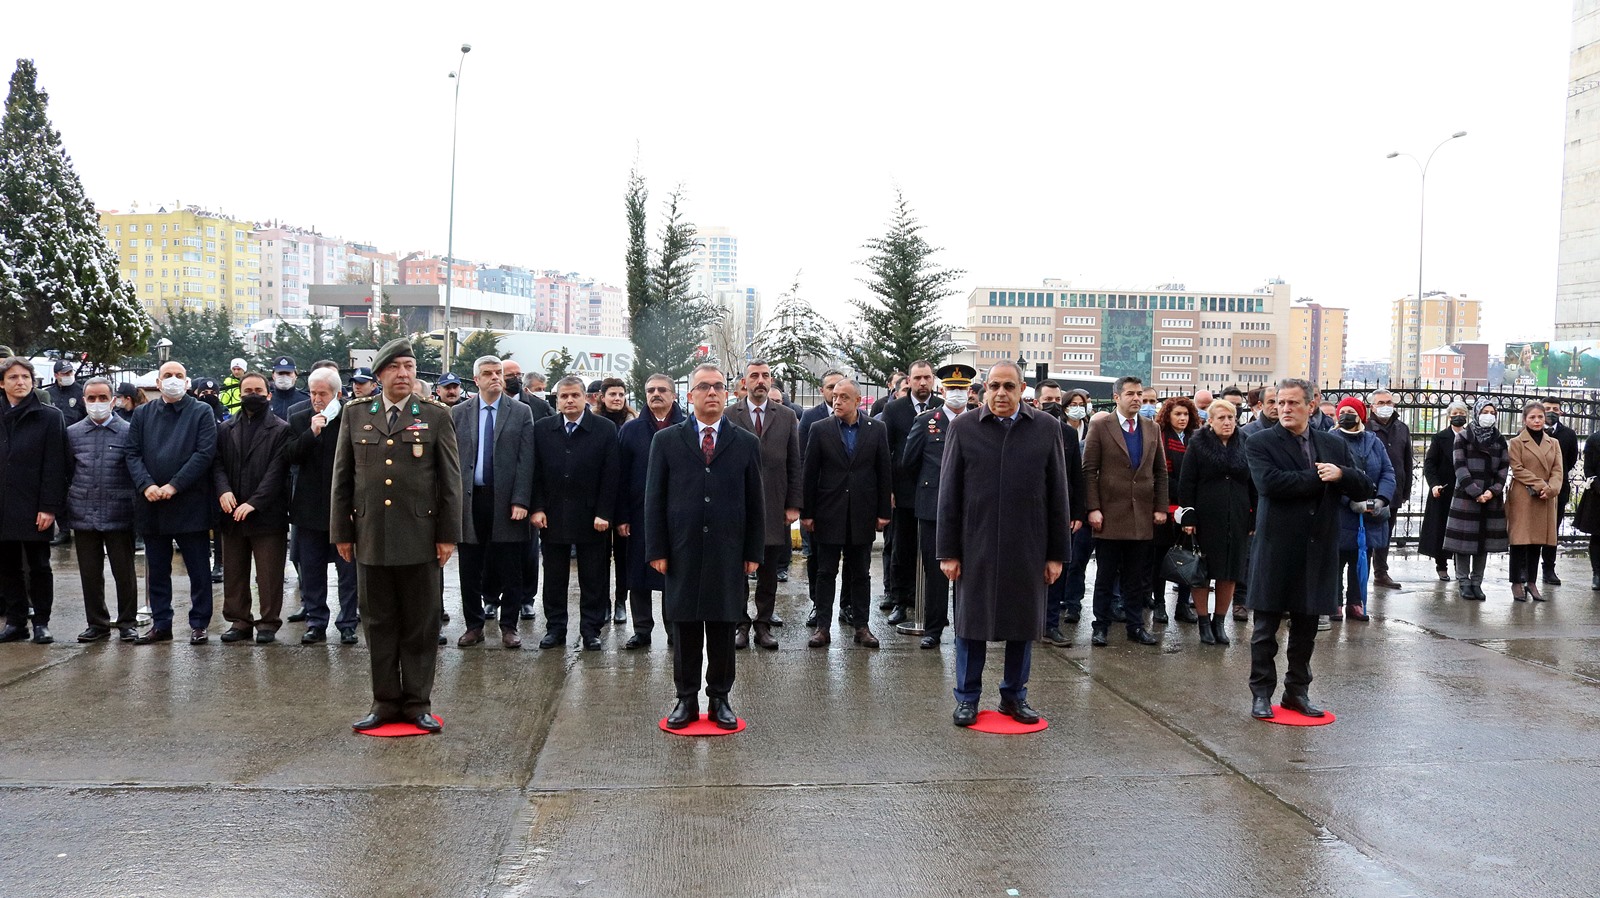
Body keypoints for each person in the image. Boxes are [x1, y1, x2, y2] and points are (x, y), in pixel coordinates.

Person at [331, 338, 462, 732]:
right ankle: (384, 701)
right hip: (371, 535)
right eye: (395, 367)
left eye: (409, 366)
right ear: (380, 375)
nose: (403, 373)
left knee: (421, 624)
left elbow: (450, 481)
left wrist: (447, 535)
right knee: (377, 621)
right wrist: (342, 531)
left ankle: (418, 702)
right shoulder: (356, 414)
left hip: (420, 536)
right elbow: (343, 478)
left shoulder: (434, 415)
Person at [937, 361, 1069, 726]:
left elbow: (1058, 494)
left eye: (1009, 387)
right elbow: (949, 493)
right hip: (974, 543)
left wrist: (1057, 554)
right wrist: (947, 551)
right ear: (983, 390)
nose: (1001, 393)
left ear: (1022, 389)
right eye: (994, 386)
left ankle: (1014, 696)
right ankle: (967, 698)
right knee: (970, 625)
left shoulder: (1046, 428)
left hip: (1027, 545)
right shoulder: (964, 427)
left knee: (1022, 626)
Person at [1245, 379, 1373, 720]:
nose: (1284, 409)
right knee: (1265, 629)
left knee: (1305, 629)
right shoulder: (1260, 442)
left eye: (1292, 403)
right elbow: (1271, 484)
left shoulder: (1331, 443)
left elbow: (1362, 486)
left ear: (1310, 406)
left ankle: (1296, 693)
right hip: (1276, 547)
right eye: (1280, 402)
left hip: (1317, 547)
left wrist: (1341, 472)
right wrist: (1321, 478)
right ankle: (1261, 693)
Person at [646, 363, 765, 729]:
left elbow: (755, 501)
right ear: (690, 395)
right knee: (683, 627)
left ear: (727, 393)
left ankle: (719, 698)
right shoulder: (666, 441)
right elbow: (654, 498)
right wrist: (657, 549)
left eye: (717, 387)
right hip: (681, 549)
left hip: (728, 551)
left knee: (722, 623)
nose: (711, 392)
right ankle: (685, 698)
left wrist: (752, 552)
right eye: (703, 387)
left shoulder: (745, 442)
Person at [126, 361, 218, 645]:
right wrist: (147, 485)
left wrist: (174, 485)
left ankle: (200, 624)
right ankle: (161, 623)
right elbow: (132, 453)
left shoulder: (201, 412)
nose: (174, 380)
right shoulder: (142, 414)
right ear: (158, 381)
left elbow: (204, 454)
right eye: (168, 375)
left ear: (187, 382)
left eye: (179, 376)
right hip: (152, 504)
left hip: (190, 503)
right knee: (157, 570)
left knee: (199, 569)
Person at [531, 375, 620, 651]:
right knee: (554, 577)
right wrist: (537, 508)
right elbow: (534, 473)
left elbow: (611, 475)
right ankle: (555, 629)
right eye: (563, 396)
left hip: (592, 518)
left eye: (575, 395)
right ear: (556, 400)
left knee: (593, 577)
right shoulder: (543, 429)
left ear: (586, 398)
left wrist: (604, 512)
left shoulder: (604, 429)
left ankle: (591, 630)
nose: (569, 400)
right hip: (553, 516)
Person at [451, 355, 535, 648]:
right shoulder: (459, 413)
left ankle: (509, 626)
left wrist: (521, 499)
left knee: (511, 567)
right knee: (470, 568)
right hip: (470, 500)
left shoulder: (521, 412)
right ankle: (474, 625)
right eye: (487, 373)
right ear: (476, 380)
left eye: (498, 372)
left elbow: (527, 460)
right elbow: (451, 462)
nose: (495, 378)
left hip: (507, 502)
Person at [801, 378, 893, 648]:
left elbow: (883, 471)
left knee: (860, 573)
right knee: (825, 572)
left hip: (862, 512)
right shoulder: (820, 429)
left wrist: (883, 511)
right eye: (835, 396)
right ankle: (822, 627)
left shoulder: (876, 429)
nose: (837, 401)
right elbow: (809, 473)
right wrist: (807, 512)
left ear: (857, 400)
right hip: (829, 511)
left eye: (843, 397)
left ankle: (862, 627)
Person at [1083, 376, 1169, 647]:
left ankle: (1136, 626)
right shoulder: (1101, 426)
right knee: (1106, 576)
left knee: (1136, 578)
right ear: (1117, 397)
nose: (1137, 398)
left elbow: (1160, 472)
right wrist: (1093, 508)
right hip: (1109, 515)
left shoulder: (1151, 428)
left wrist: (1160, 507)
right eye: (1130, 393)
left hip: (1141, 515)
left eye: (1139, 393)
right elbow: (1089, 471)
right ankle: (1101, 626)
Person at [725, 360, 802, 650]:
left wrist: (794, 505)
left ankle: (763, 624)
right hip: (737, 506)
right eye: (754, 375)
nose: (760, 380)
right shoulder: (730, 414)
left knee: (769, 571)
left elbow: (795, 462)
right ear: (745, 382)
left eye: (765, 376)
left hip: (773, 505)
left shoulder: (785, 416)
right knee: (738, 569)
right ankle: (741, 624)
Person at [211, 370, 293, 643]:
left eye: (258, 391)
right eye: (248, 391)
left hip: (267, 514)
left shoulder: (281, 429)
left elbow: (277, 471)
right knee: (234, 571)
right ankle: (239, 621)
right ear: (240, 393)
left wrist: (254, 503)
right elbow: (217, 464)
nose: (253, 396)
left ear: (268, 395)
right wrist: (223, 491)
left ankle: (268, 622)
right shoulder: (225, 428)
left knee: (269, 573)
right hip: (231, 512)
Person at [902, 364, 976, 649]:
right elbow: (909, 463)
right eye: (952, 389)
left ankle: (965, 629)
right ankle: (934, 628)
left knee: (968, 573)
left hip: (971, 509)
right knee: (936, 573)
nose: (957, 393)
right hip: (933, 508)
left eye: (962, 389)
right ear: (942, 390)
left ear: (969, 391)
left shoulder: (980, 421)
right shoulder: (926, 421)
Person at [286, 367, 360, 644]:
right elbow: (290, 456)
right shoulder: (299, 418)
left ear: (337, 394)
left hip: (343, 509)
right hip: (308, 508)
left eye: (323, 394)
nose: (317, 399)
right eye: (313, 393)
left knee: (348, 571)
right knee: (312, 570)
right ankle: (316, 622)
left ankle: (348, 623)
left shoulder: (351, 419)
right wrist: (311, 433)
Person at [64, 377, 140, 642]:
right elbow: (67, 472)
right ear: (84, 401)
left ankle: (127, 622)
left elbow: (135, 471)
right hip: (83, 511)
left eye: (102, 398)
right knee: (90, 572)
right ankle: (97, 623)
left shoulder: (129, 432)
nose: (97, 403)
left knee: (124, 571)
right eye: (92, 398)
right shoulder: (72, 433)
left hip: (120, 511)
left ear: (114, 400)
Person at [616, 373, 687, 649]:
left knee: (675, 574)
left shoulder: (686, 427)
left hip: (678, 515)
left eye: (661, 390)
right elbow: (619, 477)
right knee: (639, 574)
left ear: (674, 395)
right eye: (650, 390)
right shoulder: (631, 431)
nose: (655, 394)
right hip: (639, 515)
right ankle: (642, 629)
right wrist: (621, 516)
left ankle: (674, 630)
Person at [0, 356, 67, 644]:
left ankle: (41, 621)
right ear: (2, 383)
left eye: (26, 377)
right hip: (3, 504)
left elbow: (56, 465)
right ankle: (16, 622)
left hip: (34, 505)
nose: (21, 382)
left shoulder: (49, 416)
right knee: (7, 566)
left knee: (39, 566)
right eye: (13, 377)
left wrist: (49, 507)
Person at [1176, 398, 1254, 645]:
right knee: (1202, 570)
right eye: (1221, 418)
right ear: (1210, 421)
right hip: (1205, 516)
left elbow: (1254, 483)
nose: (1227, 422)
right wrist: (1188, 514)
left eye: (1231, 417)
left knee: (1229, 571)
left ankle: (1219, 622)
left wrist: (1254, 515)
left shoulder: (1245, 442)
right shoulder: (1198, 443)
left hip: (1238, 515)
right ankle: (1203, 622)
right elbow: (1186, 481)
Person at [878, 360, 942, 626]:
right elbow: (886, 452)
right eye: (917, 378)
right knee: (901, 549)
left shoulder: (941, 408)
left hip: (934, 489)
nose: (923, 383)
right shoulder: (893, 409)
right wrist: (889, 490)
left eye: (927, 378)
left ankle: (928, 604)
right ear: (909, 381)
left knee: (932, 550)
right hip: (903, 491)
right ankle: (899, 601)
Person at [1329, 397, 1395, 623]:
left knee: (1361, 560)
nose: (1345, 415)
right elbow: (1330, 476)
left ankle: (1355, 603)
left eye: (1351, 411)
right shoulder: (1330, 440)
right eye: (1342, 411)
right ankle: (1334, 603)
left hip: (1370, 515)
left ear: (1361, 416)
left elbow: (1388, 472)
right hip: (1341, 513)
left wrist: (1381, 500)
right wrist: (1350, 501)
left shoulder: (1373, 441)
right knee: (1336, 561)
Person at [1033, 381, 1087, 647]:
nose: (1053, 403)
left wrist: (1077, 511)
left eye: (1057, 398)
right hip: (1029, 511)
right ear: (1036, 401)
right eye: (1048, 399)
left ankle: (1050, 624)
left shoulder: (1067, 433)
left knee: (1056, 571)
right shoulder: (1025, 428)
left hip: (1059, 513)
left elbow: (1076, 475)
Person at [500, 358, 552, 622]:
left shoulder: (540, 407)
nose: (515, 378)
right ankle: (491, 598)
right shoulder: (492, 404)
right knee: (495, 550)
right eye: (510, 374)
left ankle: (527, 599)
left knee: (529, 550)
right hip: (497, 488)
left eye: (519, 374)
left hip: (529, 487)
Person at [1442, 400, 1510, 601]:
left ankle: (1476, 582)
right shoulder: (1463, 437)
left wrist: (1493, 491)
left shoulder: (1499, 440)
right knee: (1463, 544)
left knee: (1483, 543)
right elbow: (1460, 467)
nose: (1488, 415)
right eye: (1485, 411)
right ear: (1477, 413)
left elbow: (1504, 469)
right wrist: (1475, 491)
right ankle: (1463, 582)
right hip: (1467, 496)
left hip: (1491, 498)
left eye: (1492, 412)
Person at [1151, 396, 1200, 625]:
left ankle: (1182, 605)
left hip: (1190, 507)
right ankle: (1159, 603)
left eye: (1186, 414)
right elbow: (1159, 473)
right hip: (1166, 505)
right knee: (1161, 557)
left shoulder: (1196, 438)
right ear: (1168, 415)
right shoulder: (1160, 437)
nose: (1182, 418)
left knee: (1188, 557)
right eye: (1177, 414)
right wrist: (1182, 489)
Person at [1506, 401, 1562, 602]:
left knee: (1537, 542)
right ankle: (1516, 583)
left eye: (1540, 417)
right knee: (1519, 541)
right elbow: (1517, 469)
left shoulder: (1553, 443)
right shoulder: (1516, 442)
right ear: (1525, 420)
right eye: (1532, 417)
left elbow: (1558, 469)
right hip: (1523, 496)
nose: (1537, 421)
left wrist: (1552, 489)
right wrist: (1541, 485)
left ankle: (1531, 582)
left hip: (1545, 497)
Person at [595, 376, 635, 625]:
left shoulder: (633, 422)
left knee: (623, 556)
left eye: (621, 394)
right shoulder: (595, 423)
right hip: (600, 497)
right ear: (602, 397)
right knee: (599, 557)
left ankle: (621, 601)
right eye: (612, 394)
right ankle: (604, 604)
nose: (617, 398)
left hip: (626, 497)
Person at [1365, 389, 1412, 590]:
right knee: (1366, 534)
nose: (1386, 406)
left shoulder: (1402, 428)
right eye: (1381, 402)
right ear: (1372, 407)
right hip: (1371, 490)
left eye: (1389, 402)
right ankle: (1362, 573)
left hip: (1394, 490)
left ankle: (1381, 572)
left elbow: (1407, 461)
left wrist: (1406, 491)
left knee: (1386, 533)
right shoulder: (1366, 428)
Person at [1419, 401, 1471, 581]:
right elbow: (1430, 464)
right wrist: (1434, 485)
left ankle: (1461, 567)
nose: (1458, 416)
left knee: (1462, 530)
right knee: (1441, 528)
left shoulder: (1471, 437)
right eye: (1455, 413)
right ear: (1449, 416)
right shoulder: (1440, 438)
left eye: (1462, 413)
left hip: (1465, 491)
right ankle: (1441, 565)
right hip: (1443, 489)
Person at [1539, 397, 1580, 585]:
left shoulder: (1568, 434)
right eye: (1547, 408)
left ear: (1561, 412)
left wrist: (1556, 480)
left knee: (1552, 530)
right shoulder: (1532, 430)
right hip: (1533, 487)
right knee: (1530, 528)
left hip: (1558, 488)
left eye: (1555, 408)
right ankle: (1524, 568)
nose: (1551, 412)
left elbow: (1570, 461)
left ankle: (1549, 568)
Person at [45, 359, 85, 426]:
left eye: (70, 372)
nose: (69, 375)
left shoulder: (82, 391)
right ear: (56, 375)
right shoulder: (48, 393)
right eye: (64, 373)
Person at [268, 356, 309, 422]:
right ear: (273, 376)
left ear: (296, 376)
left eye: (288, 373)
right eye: (280, 373)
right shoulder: (266, 400)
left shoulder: (305, 400)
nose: (284, 376)